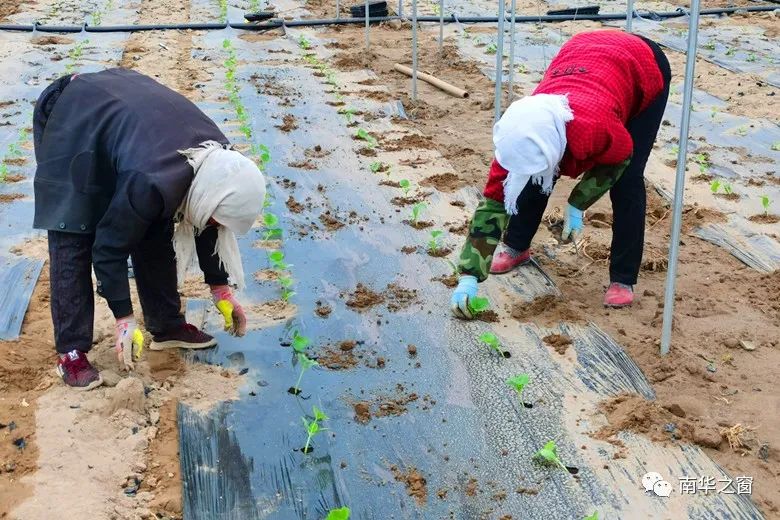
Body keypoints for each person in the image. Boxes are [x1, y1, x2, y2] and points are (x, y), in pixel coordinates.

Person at [33, 68, 266, 389]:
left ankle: (166, 325)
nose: (213, 224)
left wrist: (220, 288)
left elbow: (209, 224)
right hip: (71, 116)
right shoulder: (153, 178)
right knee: (73, 228)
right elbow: (108, 249)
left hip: (123, 123)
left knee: (153, 225)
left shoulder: (217, 166)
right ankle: (71, 352)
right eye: (216, 218)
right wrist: (124, 320)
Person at [451, 30, 671, 318]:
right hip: (583, 53)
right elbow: (495, 202)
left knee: (627, 181)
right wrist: (468, 275)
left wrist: (578, 202)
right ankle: (517, 245)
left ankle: (622, 277)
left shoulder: (594, 129)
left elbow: (621, 157)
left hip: (642, 64)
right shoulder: (521, 133)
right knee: (530, 176)